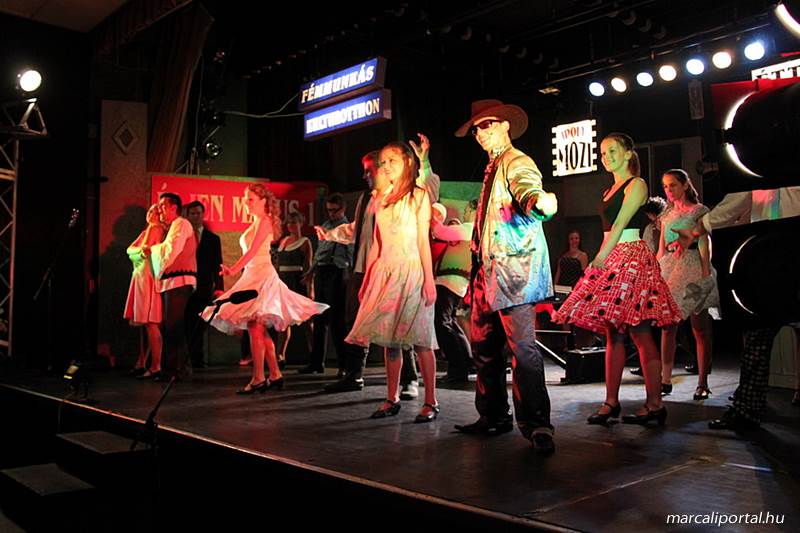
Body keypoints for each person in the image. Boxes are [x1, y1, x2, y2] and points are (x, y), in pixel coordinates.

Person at [452, 99, 558, 455]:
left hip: (513, 273)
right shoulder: (492, 167)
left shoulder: (516, 161)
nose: (481, 133)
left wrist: (538, 202)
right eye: (476, 129)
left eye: (487, 125)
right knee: (484, 348)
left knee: (522, 350)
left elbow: (527, 188)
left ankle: (538, 424)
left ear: (505, 125)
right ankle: (493, 415)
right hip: (488, 272)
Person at [554, 133, 682, 427]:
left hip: (630, 256)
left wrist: (601, 258)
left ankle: (655, 404)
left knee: (640, 331)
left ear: (627, 153)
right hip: (611, 254)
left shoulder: (637, 184)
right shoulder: (608, 190)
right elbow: (609, 228)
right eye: (602, 152)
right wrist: (602, 258)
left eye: (612, 150)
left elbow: (623, 222)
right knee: (612, 332)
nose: (606, 156)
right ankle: (610, 401)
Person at [319, 134, 440, 394]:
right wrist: (330, 235)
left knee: (405, 328)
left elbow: (426, 193)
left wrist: (424, 162)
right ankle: (358, 376)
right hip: (370, 268)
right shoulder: (372, 199)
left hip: (405, 268)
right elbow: (360, 233)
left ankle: (412, 381)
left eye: (370, 169)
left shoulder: (413, 195)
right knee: (368, 324)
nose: (368, 175)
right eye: (382, 163)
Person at [672, 186, 800, 430]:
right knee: (757, 336)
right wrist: (699, 228)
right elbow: (739, 200)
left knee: (758, 337)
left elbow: (737, 201)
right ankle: (747, 408)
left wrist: (698, 228)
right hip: (771, 254)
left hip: (780, 252)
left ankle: (748, 409)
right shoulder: (761, 180)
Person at [201, 184, 328, 394]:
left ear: (263, 201)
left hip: (261, 277)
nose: (247, 203)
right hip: (252, 275)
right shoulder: (255, 222)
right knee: (256, 327)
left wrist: (233, 269)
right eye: (246, 200)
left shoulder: (265, 221)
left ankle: (259, 377)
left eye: (251, 199)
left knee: (255, 326)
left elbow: (253, 251)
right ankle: (274, 374)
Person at [345, 141, 439, 423]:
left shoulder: (418, 196)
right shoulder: (381, 198)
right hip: (385, 272)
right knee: (390, 339)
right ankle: (391, 397)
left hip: (411, 271)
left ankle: (431, 401)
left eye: (391, 160)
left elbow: (422, 241)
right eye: (383, 161)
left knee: (421, 339)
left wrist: (429, 280)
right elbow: (377, 243)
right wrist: (368, 278)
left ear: (407, 162)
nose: (385, 166)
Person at [657, 169, 718, 400]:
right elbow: (661, 249)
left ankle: (703, 382)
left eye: (672, 185)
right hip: (670, 270)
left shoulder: (699, 211)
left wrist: (705, 275)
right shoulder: (666, 214)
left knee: (699, 328)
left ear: (684, 185)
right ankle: (665, 379)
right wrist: (654, 273)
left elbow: (704, 245)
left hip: (692, 269)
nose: (668, 190)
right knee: (668, 326)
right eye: (665, 186)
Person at [143, 192, 198, 380]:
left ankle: (174, 370)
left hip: (180, 281)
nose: (160, 210)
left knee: (174, 325)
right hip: (172, 282)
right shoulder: (172, 227)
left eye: (163, 206)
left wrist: (152, 249)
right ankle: (178, 368)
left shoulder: (181, 224)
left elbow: (171, 250)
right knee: (173, 326)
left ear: (174, 207)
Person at [298, 193, 352, 376]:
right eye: (328, 210)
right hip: (322, 272)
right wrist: (311, 271)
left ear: (343, 209)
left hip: (338, 272)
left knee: (337, 321)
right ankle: (316, 362)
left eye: (334, 210)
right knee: (319, 318)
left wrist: (352, 275)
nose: (331, 214)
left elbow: (352, 254)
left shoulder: (346, 228)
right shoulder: (327, 225)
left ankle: (344, 365)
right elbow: (320, 252)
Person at [430, 201, 475, 384]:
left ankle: (457, 368)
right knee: (449, 323)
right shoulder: (470, 230)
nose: (465, 213)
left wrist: (429, 214)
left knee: (442, 323)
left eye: (468, 210)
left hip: (451, 281)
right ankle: (465, 362)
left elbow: (441, 231)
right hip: (452, 282)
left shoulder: (469, 229)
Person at [123, 204, 166, 379]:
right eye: (149, 211)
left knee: (150, 321)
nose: (150, 214)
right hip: (140, 276)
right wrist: (137, 253)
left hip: (147, 277)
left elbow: (145, 249)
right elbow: (130, 250)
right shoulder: (147, 230)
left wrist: (138, 253)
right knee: (143, 321)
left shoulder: (156, 229)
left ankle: (155, 365)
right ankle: (143, 361)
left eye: (155, 212)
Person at [184, 201, 224, 369]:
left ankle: (198, 360)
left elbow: (218, 264)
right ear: (187, 216)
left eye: (198, 213)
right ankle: (184, 360)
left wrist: (219, 287)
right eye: (192, 213)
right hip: (184, 286)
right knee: (185, 324)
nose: (196, 216)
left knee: (200, 325)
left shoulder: (213, 239)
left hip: (204, 286)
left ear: (203, 214)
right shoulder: (182, 237)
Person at [275, 211, 314, 367]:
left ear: (300, 223)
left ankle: (314, 355)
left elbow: (308, 267)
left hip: (297, 283)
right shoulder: (283, 241)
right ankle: (280, 355)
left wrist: (310, 290)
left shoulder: (305, 242)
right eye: (289, 222)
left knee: (305, 321)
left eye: (294, 222)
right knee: (283, 321)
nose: (291, 225)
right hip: (283, 283)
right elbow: (277, 265)